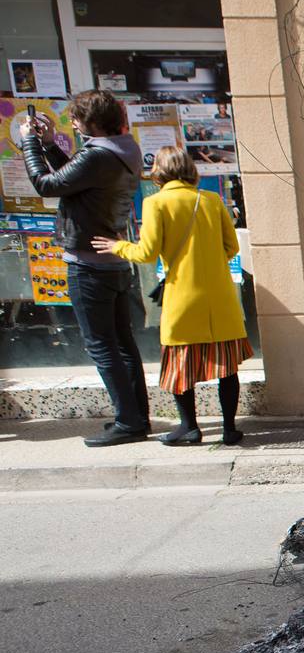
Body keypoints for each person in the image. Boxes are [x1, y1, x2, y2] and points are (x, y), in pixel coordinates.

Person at [91, 147, 252, 446]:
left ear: (160, 172)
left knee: (181, 369)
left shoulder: (155, 203)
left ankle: (189, 427)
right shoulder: (212, 200)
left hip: (182, 299)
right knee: (226, 367)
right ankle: (230, 429)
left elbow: (147, 252)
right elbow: (232, 247)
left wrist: (117, 246)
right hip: (220, 299)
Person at [21, 89, 147, 447]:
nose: (73, 125)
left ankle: (129, 422)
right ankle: (136, 416)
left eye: (76, 120)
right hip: (113, 261)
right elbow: (75, 180)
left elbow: (47, 185)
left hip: (88, 265)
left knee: (102, 346)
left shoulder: (97, 156)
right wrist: (49, 144)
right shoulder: (123, 150)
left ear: (91, 122)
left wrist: (29, 143)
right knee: (122, 344)